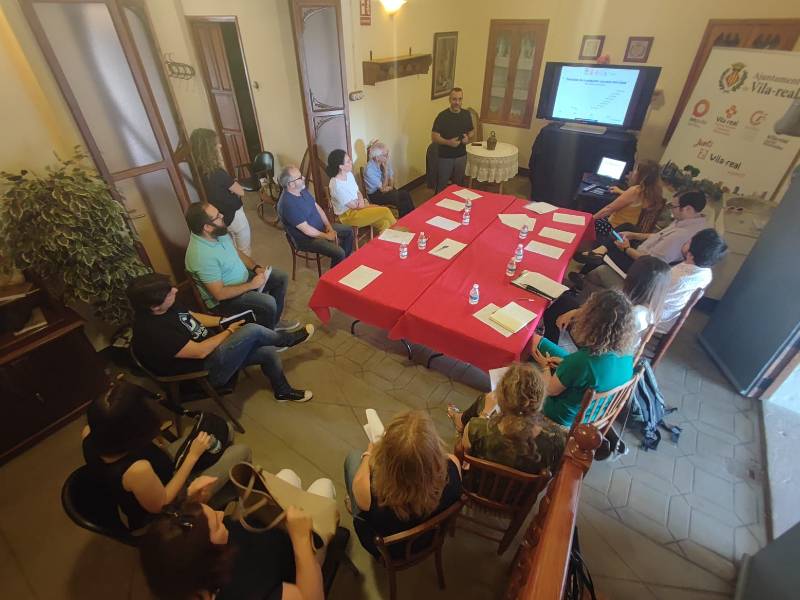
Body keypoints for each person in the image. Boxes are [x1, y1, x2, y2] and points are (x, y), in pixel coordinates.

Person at [81, 378, 252, 532]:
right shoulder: (136, 470)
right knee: (242, 451)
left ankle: (229, 479)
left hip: (162, 468)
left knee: (226, 429)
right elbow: (162, 504)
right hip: (168, 504)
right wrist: (192, 456)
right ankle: (241, 493)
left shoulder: (89, 432)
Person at [127, 272, 314, 403]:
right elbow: (200, 352)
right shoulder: (154, 332)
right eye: (169, 292)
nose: (175, 291)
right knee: (252, 331)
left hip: (213, 349)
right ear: (154, 307)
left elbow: (190, 316)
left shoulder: (166, 306)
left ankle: (282, 392)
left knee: (267, 352)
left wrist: (222, 321)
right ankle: (287, 341)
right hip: (205, 372)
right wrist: (229, 331)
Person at [140, 502, 324, 600]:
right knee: (322, 489)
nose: (222, 514)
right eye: (217, 524)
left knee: (287, 476)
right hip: (291, 563)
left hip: (268, 546)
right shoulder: (248, 592)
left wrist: (197, 506)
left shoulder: (175, 579)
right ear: (207, 558)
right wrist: (301, 540)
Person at [344, 410, 462, 558]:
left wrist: (369, 453)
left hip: (390, 553)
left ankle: (354, 508)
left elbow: (359, 482)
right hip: (431, 538)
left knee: (353, 458)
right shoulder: (453, 467)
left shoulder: (370, 495)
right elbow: (444, 458)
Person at [531, 290, 637, 429]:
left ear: (591, 322)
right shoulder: (628, 354)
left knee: (532, 344)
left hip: (561, 416)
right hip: (592, 413)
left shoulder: (581, 361)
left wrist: (544, 366)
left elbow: (550, 390)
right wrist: (565, 364)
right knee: (536, 341)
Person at [185, 202, 298, 332]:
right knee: (268, 302)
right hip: (226, 300)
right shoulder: (201, 256)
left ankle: (273, 323)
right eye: (217, 216)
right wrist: (251, 285)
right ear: (207, 227)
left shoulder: (217, 233)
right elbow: (219, 294)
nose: (222, 215)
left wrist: (256, 268)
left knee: (280, 277)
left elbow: (236, 252)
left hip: (243, 279)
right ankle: (268, 337)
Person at [574, 190, 710, 291]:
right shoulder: (690, 222)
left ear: (687, 209)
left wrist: (626, 248)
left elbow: (649, 261)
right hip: (643, 253)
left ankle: (594, 262)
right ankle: (600, 252)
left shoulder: (681, 235)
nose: (671, 210)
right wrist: (634, 235)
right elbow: (660, 235)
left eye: (673, 206)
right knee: (627, 228)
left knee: (614, 243)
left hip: (641, 267)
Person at [448, 363, 566, 475]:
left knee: (482, 401)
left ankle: (458, 419)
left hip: (478, 487)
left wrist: (484, 414)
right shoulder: (556, 438)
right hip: (520, 495)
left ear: (501, 399)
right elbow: (553, 472)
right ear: (539, 401)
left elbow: (465, 453)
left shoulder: (476, 429)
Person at [543, 256, 671, 344]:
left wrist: (576, 314)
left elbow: (596, 325)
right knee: (568, 302)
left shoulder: (628, 312)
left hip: (596, 342)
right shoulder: (651, 309)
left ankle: (547, 345)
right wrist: (577, 312)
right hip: (610, 341)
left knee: (559, 305)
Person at [190, 128, 252, 256]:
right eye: (216, 143)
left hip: (215, 218)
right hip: (233, 215)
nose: (220, 145)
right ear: (209, 150)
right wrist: (233, 185)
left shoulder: (196, 172)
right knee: (244, 249)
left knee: (230, 247)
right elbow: (241, 192)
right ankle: (248, 273)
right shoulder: (217, 173)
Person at [277, 165, 353, 268]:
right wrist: (327, 236)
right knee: (339, 253)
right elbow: (307, 230)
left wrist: (328, 226)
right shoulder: (287, 205)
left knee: (348, 231)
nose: (303, 178)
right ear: (291, 184)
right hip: (307, 239)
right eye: (299, 178)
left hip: (320, 228)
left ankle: (343, 264)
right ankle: (332, 279)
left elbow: (318, 208)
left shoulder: (301, 190)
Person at [656, 228, 727, 334]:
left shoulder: (680, 279)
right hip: (670, 315)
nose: (686, 241)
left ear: (691, 255)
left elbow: (654, 298)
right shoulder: (706, 273)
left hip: (657, 317)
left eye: (689, 242)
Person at [326, 150, 396, 233]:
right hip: (348, 216)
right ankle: (401, 236)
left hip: (360, 207)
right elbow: (353, 206)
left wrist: (361, 201)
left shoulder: (349, 174)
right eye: (348, 161)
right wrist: (365, 204)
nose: (351, 162)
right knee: (386, 211)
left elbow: (358, 192)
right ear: (341, 166)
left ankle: (391, 243)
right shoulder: (336, 185)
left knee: (385, 223)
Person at [593, 160, 664, 231]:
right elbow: (634, 201)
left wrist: (590, 220)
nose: (632, 173)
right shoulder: (653, 193)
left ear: (641, 175)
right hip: (628, 230)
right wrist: (621, 191)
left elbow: (608, 209)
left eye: (635, 170)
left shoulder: (635, 190)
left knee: (590, 220)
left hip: (614, 228)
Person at [431, 87, 474, 193]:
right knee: (442, 185)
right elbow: (434, 136)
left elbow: (472, 130)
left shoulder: (466, 114)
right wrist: (448, 142)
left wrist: (468, 138)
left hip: (461, 156)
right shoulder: (442, 116)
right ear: (449, 100)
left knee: (458, 185)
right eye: (454, 99)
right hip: (445, 157)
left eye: (460, 99)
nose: (457, 102)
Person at [362, 141, 414, 217]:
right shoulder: (369, 170)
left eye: (387, 153)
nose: (387, 157)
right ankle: (406, 219)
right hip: (375, 195)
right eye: (385, 155)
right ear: (377, 157)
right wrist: (386, 172)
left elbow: (391, 179)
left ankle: (411, 216)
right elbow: (382, 189)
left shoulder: (385, 161)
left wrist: (390, 187)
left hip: (387, 189)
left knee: (404, 193)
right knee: (398, 197)